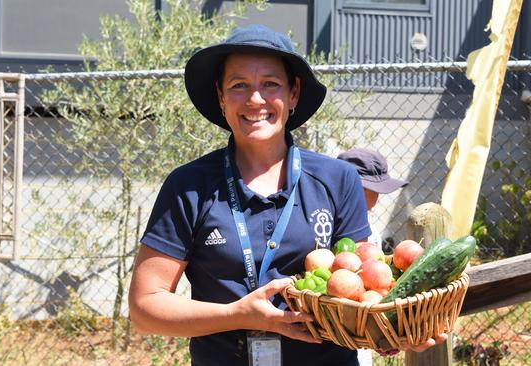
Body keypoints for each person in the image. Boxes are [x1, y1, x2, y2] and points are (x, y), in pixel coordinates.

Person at [128, 24, 446, 366]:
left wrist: (388, 328)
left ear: (293, 94)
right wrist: (240, 315)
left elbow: (362, 283)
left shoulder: (337, 179)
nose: (255, 99)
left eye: (270, 84)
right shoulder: (189, 186)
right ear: (221, 97)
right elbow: (146, 308)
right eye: (238, 86)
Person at [338, 148, 408, 366]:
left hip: (359, 345)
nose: (377, 196)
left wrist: (383, 333)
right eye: (369, 188)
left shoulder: (372, 235)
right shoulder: (322, 226)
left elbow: (374, 291)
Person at [337, 148, 408, 248]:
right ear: (360, 189)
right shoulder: (368, 235)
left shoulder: (371, 234)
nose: (378, 195)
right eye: (376, 190)